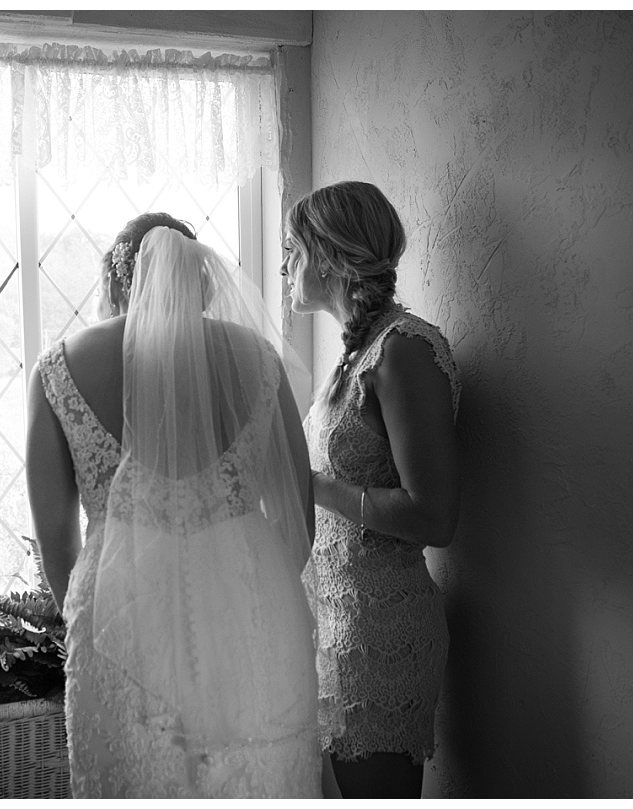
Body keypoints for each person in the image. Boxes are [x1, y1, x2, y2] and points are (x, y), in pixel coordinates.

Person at [26, 213, 327, 798]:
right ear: (201, 281)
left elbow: (54, 539)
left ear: (117, 279)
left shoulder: (59, 367)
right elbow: (299, 512)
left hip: (119, 616)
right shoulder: (256, 356)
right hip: (248, 606)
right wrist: (253, 596)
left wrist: (92, 616)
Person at [282, 181, 460, 799]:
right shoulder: (352, 356)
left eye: (292, 249)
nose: (285, 265)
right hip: (332, 619)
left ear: (330, 257)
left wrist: (312, 486)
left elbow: (435, 516)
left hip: (380, 632)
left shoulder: (405, 350)